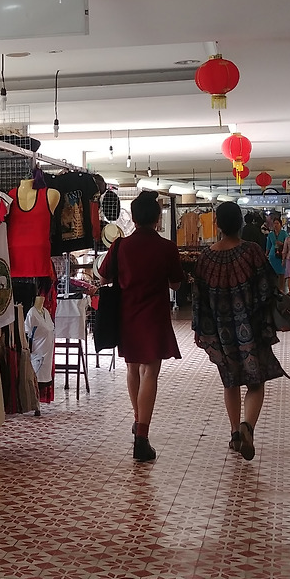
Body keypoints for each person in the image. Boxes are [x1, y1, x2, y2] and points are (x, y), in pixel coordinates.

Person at [192, 202, 284, 461]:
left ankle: (235, 433)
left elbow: (199, 299)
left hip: (221, 331)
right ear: (240, 224)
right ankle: (248, 427)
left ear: (218, 225)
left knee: (230, 381)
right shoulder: (252, 251)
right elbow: (268, 288)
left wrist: (200, 330)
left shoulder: (206, 258)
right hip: (251, 328)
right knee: (256, 382)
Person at [100, 191, 186, 462]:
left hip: (127, 314)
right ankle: (142, 436)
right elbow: (176, 284)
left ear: (134, 218)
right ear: (157, 219)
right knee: (150, 372)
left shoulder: (120, 246)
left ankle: (138, 421)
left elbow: (103, 276)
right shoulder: (166, 247)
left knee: (132, 368)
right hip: (154, 316)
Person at [264, 213, 288, 289]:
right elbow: (268, 246)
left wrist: (282, 244)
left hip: (281, 255)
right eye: (274, 223)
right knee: (273, 273)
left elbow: (288, 243)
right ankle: (274, 288)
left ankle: (281, 288)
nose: (275, 225)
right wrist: (266, 255)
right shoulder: (270, 234)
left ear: (281, 225)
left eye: (277, 223)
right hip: (273, 255)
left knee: (282, 273)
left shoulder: (284, 233)